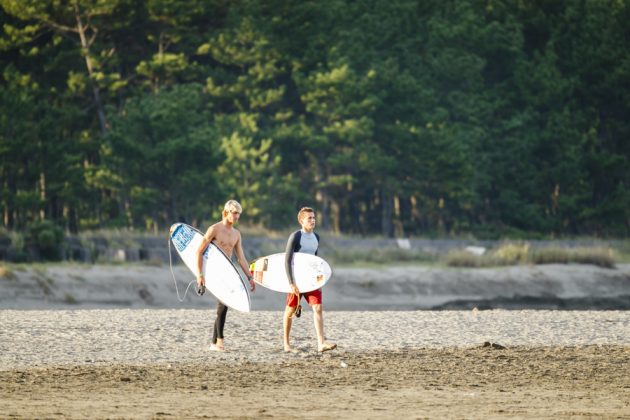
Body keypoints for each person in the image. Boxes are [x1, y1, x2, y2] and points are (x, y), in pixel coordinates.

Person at [196, 200, 255, 351]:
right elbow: (199, 251)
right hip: (214, 271)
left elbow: (241, 258)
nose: (236, 217)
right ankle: (220, 341)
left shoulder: (236, 234)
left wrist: (249, 277)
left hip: (227, 272)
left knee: (223, 305)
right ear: (226, 212)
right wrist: (199, 274)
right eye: (234, 213)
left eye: (238, 214)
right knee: (223, 304)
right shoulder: (214, 229)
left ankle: (214, 343)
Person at [283, 206, 337, 353]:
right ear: (301, 221)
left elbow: (314, 259)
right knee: (290, 311)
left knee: (318, 308)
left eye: (314, 218)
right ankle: (286, 344)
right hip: (297, 280)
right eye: (309, 218)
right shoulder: (296, 236)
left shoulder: (316, 237)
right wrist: (291, 283)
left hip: (311, 280)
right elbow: (287, 261)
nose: (313, 220)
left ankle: (321, 343)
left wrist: (318, 279)